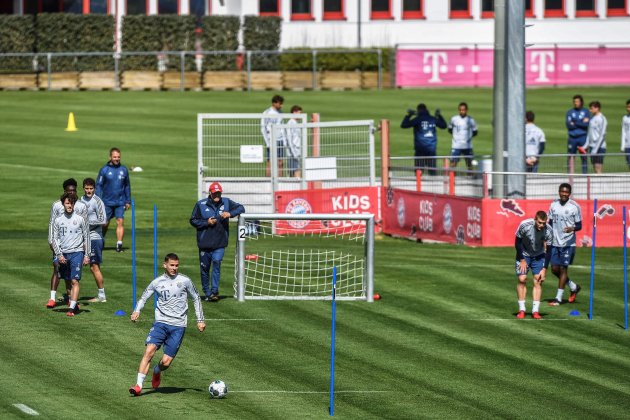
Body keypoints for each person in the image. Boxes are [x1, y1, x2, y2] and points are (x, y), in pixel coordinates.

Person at [129, 253, 205, 396]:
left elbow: (196, 298)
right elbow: (144, 297)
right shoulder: (157, 282)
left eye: (176, 265)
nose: (174, 268)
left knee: (166, 362)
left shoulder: (185, 281)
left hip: (178, 326)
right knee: (149, 351)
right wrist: (136, 311)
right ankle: (138, 386)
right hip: (161, 323)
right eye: (171, 265)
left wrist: (200, 320)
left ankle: (157, 370)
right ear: (165, 265)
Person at [189, 181, 245, 302]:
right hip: (204, 243)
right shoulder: (200, 204)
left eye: (219, 193)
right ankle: (207, 292)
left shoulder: (226, 202)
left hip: (220, 243)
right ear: (210, 193)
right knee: (204, 269)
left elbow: (241, 208)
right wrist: (206, 222)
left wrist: (230, 213)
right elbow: (193, 220)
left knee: (217, 262)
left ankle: (214, 291)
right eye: (215, 194)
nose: (217, 196)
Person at [46, 178, 88, 308]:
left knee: (71, 274)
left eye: (74, 190)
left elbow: (85, 227)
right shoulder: (57, 205)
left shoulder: (81, 206)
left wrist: (86, 250)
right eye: (69, 191)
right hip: (59, 244)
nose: (72, 193)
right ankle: (52, 298)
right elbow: (52, 223)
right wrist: (51, 241)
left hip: (75, 246)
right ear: (65, 191)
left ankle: (71, 300)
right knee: (57, 268)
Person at [548, 183, 582, 306]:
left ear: (569, 194)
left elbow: (579, 225)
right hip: (555, 242)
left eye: (566, 192)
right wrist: (548, 238)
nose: (564, 194)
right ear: (559, 192)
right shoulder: (553, 204)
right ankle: (573, 287)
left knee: (563, 268)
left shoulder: (575, 206)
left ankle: (558, 298)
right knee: (554, 269)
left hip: (568, 243)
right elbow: (550, 223)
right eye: (562, 191)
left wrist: (572, 228)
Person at [514, 211, 552, 319]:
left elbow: (549, 250)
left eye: (544, 223)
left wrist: (545, 268)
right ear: (535, 219)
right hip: (524, 254)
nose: (541, 225)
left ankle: (535, 311)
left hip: (539, 255)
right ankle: (522, 310)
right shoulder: (524, 225)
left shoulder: (549, 230)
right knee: (522, 278)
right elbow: (517, 242)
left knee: (538, 280)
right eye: (539, 222)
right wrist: (522, 259)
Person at [96, 147, 131, 252]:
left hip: (120, 201)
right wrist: (98, 200)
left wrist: (128, 200)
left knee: (120, 221)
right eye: (115, 157)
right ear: (110, 157)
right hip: (107, 202)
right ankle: (101, 239)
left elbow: (127, 186)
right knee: (105, 223)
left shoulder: (124, 170)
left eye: (118, 157)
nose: (117, 159)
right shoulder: (104, 170)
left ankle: (119, 244)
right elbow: (99, 186)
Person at [80, 177, 107, 303]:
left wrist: (87, 223)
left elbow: (103, 220)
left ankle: (102, 296)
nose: (89, 191)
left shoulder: (97, 201)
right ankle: (71, 295)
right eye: (87, 188)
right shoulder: (80, 200)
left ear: (94, 189)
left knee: (94, 266)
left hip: (95, 237)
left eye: (91, 189)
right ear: (83, 188)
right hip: (82, 238)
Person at [401, 103, 447, 175]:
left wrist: (409, 115)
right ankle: (433, 185)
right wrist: (439, 116)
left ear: (418, 110)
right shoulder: (432, 119)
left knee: (418, 171)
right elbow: (444, 126)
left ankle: (418, 185)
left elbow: (403, 125)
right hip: (431, 149)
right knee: (432, 171)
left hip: (420, 149)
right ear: (426, 109)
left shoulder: (417, 119)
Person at [448, 102, 478, 171]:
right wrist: (456, 137)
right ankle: (452, 179)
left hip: (467, 146)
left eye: (463, 110)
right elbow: (449, 129)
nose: (462, 111)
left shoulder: (471, 120)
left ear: (466, 110)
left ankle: (471, 178)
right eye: (460, 110)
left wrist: (467, 138)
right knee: (453, 163)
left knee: (469, 163)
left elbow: (475, 131)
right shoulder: (454, 119)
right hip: (456, 145)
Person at [260, 95, 285, 177]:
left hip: (280, 140)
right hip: (271, 141)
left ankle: (281, 182)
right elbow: (263, 129)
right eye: (280, 103)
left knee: (280, 162)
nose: (281, 105)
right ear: (274, 103)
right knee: (270, 162)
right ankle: (267, 181)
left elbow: (282, 126)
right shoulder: (267, 113)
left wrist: (284, 140)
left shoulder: (281, 112)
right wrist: (268, 143)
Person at [565, 94, 590, 174]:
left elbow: (586, 124)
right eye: (574, 102)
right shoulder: (570, 112)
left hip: (582, 137)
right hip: (572, 138)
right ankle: (570, 174)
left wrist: (575, 122)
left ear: (581, 102)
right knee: (570, 157)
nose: (576, 103)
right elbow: (569, 125)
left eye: (577, 101)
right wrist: (581, 122)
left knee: (584, 157)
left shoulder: (586, 111)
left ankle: (584, 174)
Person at [586, 101, 607, 174]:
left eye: (591, 108)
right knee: (595, 167)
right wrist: (586, 145)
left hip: (600, 147)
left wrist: (595, 149)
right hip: (592, 146)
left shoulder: (602, 118)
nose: (590, 110)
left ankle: (600, 184)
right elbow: (589, 133)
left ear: (597, 108)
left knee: (598, 167)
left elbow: (602, 135)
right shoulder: (592, 118)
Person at [286, 105, 303, 177]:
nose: (301, 115)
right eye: (300, 113)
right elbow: (289, 139)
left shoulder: (295, 123)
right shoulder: (291, 123)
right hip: (293, 152)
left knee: (294, 170)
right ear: (294, 112)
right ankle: (298, 187)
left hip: (296, 150)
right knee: (296, 170)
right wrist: (294, 153)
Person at [622, 99, 630, 171]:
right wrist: (622, 146)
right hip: (628, 145)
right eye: (627, 107)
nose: (628, 109)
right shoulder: (625, 118)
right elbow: (623, 132)